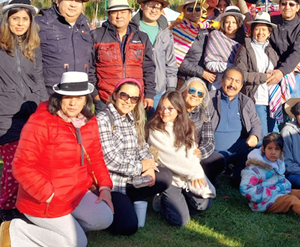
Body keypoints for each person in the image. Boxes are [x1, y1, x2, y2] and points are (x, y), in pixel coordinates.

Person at [0, 72, 114, 247]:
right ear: (58, 97)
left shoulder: (89, 122)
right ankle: (16, 230)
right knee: (76, 243)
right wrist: (47, 193)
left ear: (86, 100)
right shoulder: (40, 122)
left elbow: (97, 157)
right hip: (44, 199)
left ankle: (63, 228)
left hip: (75, 193)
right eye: (68, 97)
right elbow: (21, 165)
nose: (73, 103)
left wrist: (105, 187)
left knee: (105, 218)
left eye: (78, 98)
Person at [0, 0, 46, 224]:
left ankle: (24, 205)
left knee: (33, 163)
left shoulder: (33, 45)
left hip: (32, 113)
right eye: (16, 18)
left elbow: (39, 80)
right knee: (14, 164)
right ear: (6, 19)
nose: (21, 23)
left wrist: (44, 111)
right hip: (4, 114)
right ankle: (6, 207)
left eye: (25, 18)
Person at [96, 78, 173, 235]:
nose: (128, 101)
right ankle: (115, 206)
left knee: (164, 176)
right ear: (115, 95)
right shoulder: (103, 119)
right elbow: (110, 159)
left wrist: (150, 166)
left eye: (134, 98)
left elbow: (142, 147)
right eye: (124, 96)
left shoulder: (130, 118)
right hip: (113, 183)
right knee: (128, 227)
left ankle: (127, 201)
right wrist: (141, 166)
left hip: (131, 178)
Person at [146, 91, 214, 227]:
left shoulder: (188, 126)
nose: (165, 112)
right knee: (181, 221)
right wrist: (193, 173)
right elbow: (170, 158)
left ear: (178, 109)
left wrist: (197, 173)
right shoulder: (155, 129)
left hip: (188, 172)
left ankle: (182, 198)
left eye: (170, 108)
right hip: (170, 175)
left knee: (204, 204)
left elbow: (193, 152)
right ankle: (162, 200)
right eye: (162, 108)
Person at [92, 0, 156, 109]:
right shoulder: (96, 36)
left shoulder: (142, 38)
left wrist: (149, 94)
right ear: (108, 15)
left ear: (130, 15)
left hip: (134, 100)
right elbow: (89, 68)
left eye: (123, 12)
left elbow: (148, 68)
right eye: (115, 12)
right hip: (106, 100)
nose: (119, 16)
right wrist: (95, 96)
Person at [36, 0, 94, 96]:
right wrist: (41, 95)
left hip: (80, 95)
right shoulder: (40, 25)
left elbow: (91, 65)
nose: (73, 4)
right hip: (51, 95)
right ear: (58, 2)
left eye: (78, 1)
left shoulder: (86, 28)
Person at [208, 67, 262, 180]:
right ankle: (222, 168)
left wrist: (254, 136)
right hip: (213, 150)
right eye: (229, 79)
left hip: (238, 149)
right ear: (222, 80)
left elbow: (256, 123)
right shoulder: (209, 98)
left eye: (237, 81)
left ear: (241, 86)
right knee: (211, 174)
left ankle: (236, 173)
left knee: (259, 149)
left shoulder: (246, 102)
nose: (232, 84)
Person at [234, 11, 279, 132]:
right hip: (256, 98)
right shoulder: (245, 48)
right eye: (258, 29)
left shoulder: (271, 50)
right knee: (261, 136)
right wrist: (263, 77)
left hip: (272, 100)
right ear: (252, 30)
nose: (261, 33)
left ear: (269, 32)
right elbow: (240, 74)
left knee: (273, 137)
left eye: (264, 29)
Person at [131, 0, 176, 109]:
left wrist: (171, 87)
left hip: (159, 90)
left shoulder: (165, 32)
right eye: (150, 6)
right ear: (142, 6)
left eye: (158, 7)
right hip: (135, 89)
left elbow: (170, 61)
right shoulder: (132, 29)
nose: (153, 10)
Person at [181, 5, 245, 87]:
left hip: (235, 84)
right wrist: (232, 66)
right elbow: (209, 64)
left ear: (239, 24)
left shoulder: (244, 42)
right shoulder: (215, 37)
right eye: (227, 22)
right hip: (217, 82)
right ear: (223, 23)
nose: (230, 25)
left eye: (234, 22)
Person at [179, 77, 225, 183]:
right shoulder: (174, 109)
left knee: (218, 159)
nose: (195, 95)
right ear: (184, 92)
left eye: (200, 94)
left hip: (196, 153)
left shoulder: (203, 111)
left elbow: (209, 140)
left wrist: (200, 153)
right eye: (192, 91)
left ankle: (204, 179)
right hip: (177, 153)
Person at [172, 0, 212, 81]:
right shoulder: (177, 30)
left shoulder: (208, 27)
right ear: (183, 11)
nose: (194, 12)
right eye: (190, 9)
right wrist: (201, 72)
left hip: (206, 80)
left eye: (197, 9)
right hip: (185, 80)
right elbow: (176, 59)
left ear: (202, 11)